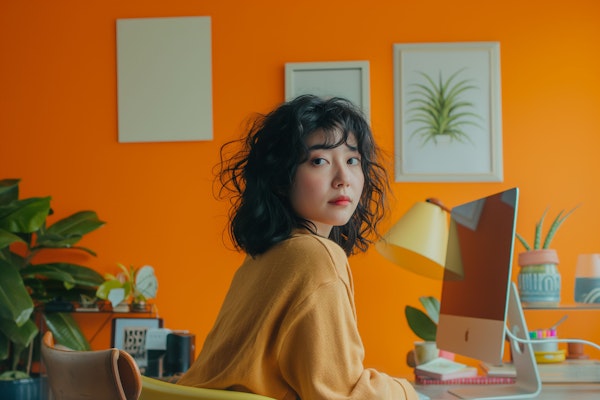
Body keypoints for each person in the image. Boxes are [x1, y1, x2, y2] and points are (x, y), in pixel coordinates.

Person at [177, 95, 417, 400]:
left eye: (352, 160)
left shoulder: (264, 257)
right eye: (319, 161)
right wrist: (411, 392)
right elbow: (338, 393)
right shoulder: (316, 256)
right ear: (281, 179)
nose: (343, 179)